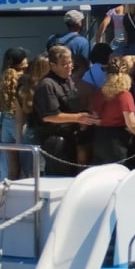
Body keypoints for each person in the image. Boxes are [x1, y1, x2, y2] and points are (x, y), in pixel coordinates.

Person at [32, 46, 100, 175]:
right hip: (55, 140)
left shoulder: (69, 80)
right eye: (64, 64)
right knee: (60, 177)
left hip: (72, 137)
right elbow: (49, 116)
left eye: (70, 63)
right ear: (52, 65)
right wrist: (78, 118)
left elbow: (72, 106)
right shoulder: (47, 85)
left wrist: (87, 115)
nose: (69, 66)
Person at [91, 55, 135, 166]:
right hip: (118, 140)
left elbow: (95, 116)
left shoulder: (100, 92)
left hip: (100, 138)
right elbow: (131, 123)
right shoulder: (124, 95)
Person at [0, 47, 28, 180]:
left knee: (13, 170)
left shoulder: (3, 78)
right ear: (23, 61)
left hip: (6, 123)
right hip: (21, 124)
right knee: (27, 170)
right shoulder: (24, 79)